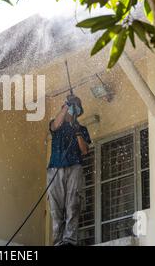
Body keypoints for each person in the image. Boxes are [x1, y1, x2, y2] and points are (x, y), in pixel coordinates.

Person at [47, 94, 91, 246]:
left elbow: (85, 150)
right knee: (56, 207)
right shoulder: (57, 125)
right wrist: (67, 104)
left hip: (74, 168)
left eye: (75, 109)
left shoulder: (82, 129)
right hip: (55, 168)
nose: (73, 111)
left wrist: (78, 131)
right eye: (72, 108)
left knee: (73, 204)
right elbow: (55, 125)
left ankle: (69, 240)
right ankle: (58, 241)